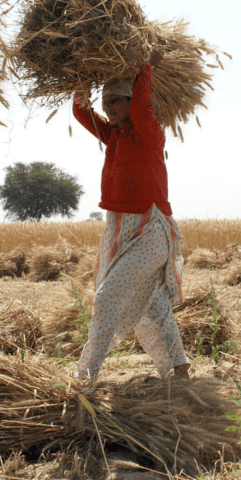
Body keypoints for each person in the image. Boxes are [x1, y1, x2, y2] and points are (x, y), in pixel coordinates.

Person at [71, 49, 190, 381]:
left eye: (117, 101)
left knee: (107, 296)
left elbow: (141, 106)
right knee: (152, 305)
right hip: (119, 229)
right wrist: (80, 78)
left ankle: (86, 372)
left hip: (150, 229)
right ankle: (179, 367)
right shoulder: (112, 136)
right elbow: (81, 111)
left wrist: (146, 67)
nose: (109, 108)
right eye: (106, 101)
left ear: (130, 101)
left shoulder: (149, 133)